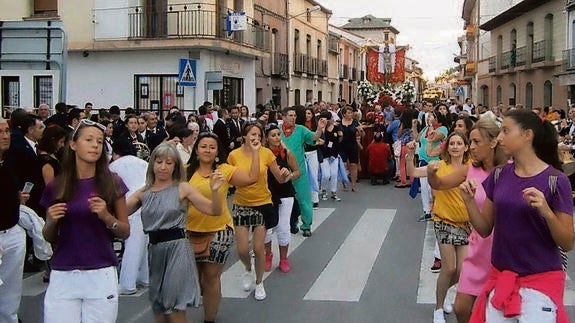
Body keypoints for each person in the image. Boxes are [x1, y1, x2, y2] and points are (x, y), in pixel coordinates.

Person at [459, 109, 574, 322]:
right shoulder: (499, 174)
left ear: (527, 135)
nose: (500, 137)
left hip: (539, 284)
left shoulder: (556, 181)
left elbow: (567, 243)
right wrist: (469, 201)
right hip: (501, 280)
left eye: (505, 131)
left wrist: (546, 212)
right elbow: (484, 229)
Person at [40, 119, 130, 323]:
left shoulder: (112, 182)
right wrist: (51, 222)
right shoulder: (57, 185)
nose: (95, 145)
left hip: (100, 272)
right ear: (73, 145)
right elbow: (48, 235)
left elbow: (124, 231)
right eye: (89, 140)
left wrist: (107, 217)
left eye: (99, 141)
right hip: (64, 272)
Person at [126, 142, 224, 323]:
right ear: (152, 164)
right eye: (159, 161)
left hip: (177, 249)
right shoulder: (144, 192)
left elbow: (214, 210)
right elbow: (121, 212)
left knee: (174, 309)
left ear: (175, 166)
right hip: (155, 251)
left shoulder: (182, 188)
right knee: (160, 311)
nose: (163, 167)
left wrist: (215, 190)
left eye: (169, 163)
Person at [185, 131, 259, 323]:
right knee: (197, 278)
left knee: (211, 276)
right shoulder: (185, 171)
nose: (207, 150)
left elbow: (251, 178)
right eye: (203, 146)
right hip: (190, 230)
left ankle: (209, 319)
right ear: (196, 149)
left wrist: (255, 153)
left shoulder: (224, 170)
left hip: (219, 230)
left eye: (212, 147)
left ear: (218, 151)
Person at [407, 132, 472, 323]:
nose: (455, 146)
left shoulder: (472, 168)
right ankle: (439, 306)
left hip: (466, 225)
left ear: (466, 147)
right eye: (452, 143)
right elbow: (413, 173)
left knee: (462, 270)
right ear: (447, 147)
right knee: (449, 267)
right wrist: (410, 155)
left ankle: (444, 291)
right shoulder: (438, 166)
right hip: (443, 221)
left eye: (459, 143)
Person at [227, 122, 291, 301]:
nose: (255, 138)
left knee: (258, 247)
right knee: (241, 249)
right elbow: (231, 181)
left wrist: (285, 173)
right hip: (241, 204)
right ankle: (248, 269)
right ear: (244, 137)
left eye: (258, 135)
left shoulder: (266, 153)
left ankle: (259, 282)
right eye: (252, 134)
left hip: (263, 203)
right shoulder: (234, 156)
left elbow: (279, 178)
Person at [109, 139, 149, 295]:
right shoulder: (143, 163)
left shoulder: (114, 166)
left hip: (129, 207)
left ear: (116, 153)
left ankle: (128, 283)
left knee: (132, 246)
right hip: (145, 205)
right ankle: (144, 277)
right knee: (143, 244)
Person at [279, 106, 326, 237]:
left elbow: (314, 138)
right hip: (281, 172)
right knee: (285, 201)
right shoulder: (277, 131)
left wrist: (320, 128)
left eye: (294, 115)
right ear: (283, 117)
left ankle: (306, 225)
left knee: (304, 199)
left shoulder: (300, 130)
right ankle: (291, 222)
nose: (293, 118)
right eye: (290, 115)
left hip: (299, 171)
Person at [0, 116, 29, 323]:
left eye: (6, 131)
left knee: (11, 288)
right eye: (0, 132)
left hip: (12, 231)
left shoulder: (8, 160)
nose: (5, 136)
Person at [264, 123, 300, 273]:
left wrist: (289, 176)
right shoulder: (263, 154)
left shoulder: (286, 153)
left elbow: (298, 171)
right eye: (273, 135)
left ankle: (284, 258)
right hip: (267, 194)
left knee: (283, 227)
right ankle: (268, 255)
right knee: (266, 229)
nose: (277, 138)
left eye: (278, 134)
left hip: (285, 193)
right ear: (266, 138)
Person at [340, 105, 362, 192]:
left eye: (351, 112)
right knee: (343, 165)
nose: (350, 114)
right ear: (344, 114)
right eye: (348, 113)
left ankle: (353, 185)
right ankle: (344, 184)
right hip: (342, 146)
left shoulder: (355, 123)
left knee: (353, 165)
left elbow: (362, 135)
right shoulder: (339, 123)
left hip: (352, 145)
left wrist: (360, 131)